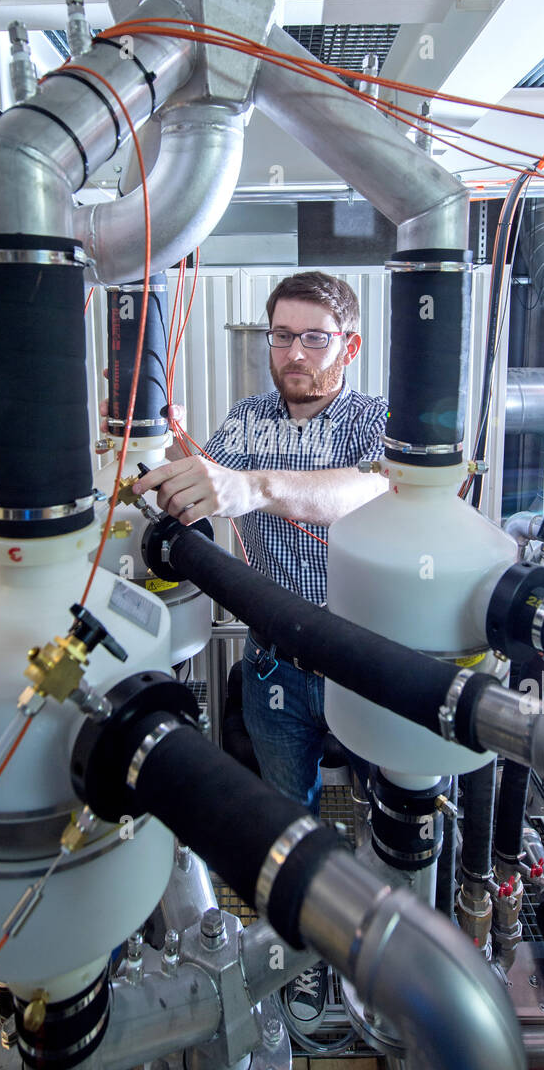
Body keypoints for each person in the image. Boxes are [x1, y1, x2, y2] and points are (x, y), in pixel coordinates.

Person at [120, 271, 388, 1028]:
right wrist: (169, 460)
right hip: (276, 663)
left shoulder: (376, 421)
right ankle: (296, 960)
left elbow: (370, 492)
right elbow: (211, 480)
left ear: (349, 345)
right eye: (281, 335)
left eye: (313, 337)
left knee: (386, 814)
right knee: (283, 817)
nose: (293, 353)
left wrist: (254, 488)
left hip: (366, 664)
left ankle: (375, 959)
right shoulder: (246, 419)